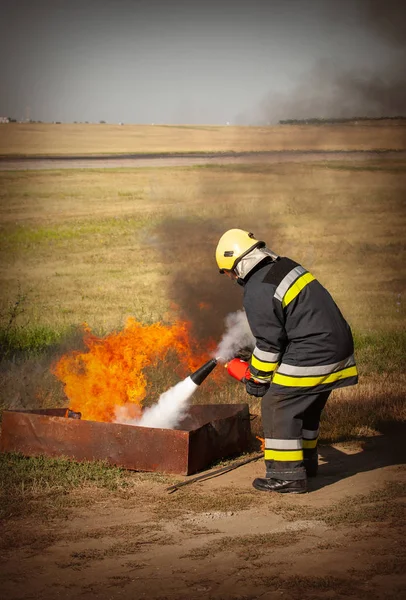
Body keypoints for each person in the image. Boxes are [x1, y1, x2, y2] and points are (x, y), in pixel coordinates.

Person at [215, 229, 358, 494]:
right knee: (306, 402)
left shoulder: (257, 289)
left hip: (315, 351)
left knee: (278, 402)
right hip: (335, 344)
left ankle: (287, 476)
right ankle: (304, 463)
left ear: (236, 264)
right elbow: (282, 326)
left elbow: (270, 346)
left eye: (229, 273)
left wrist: (256, 378)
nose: (232, 279)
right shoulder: (282, 267)